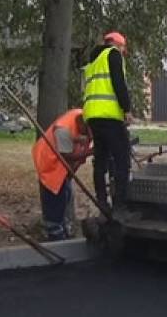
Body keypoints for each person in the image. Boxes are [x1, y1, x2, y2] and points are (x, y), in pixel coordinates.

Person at [83, 32, 133, 211]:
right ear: (118, 44)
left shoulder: (93, 61)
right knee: (122, 160)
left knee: (101, 160)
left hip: (93, 117)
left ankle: (102, 201)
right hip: (110, 115)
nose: (123, 51)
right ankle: (120, 204)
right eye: (123, 47)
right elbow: (119, 83)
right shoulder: (112, 54)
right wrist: (126, 109)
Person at [32, 107, 91, 241]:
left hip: (63, 163)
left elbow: (76, 151)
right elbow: (67, 157)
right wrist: (91, 151)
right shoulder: (63, 129)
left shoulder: (84, 117)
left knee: (66, 194)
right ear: (83, 125)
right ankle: (54, 232)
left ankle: (63, 227)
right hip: (49, 162)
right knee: (54, 196)